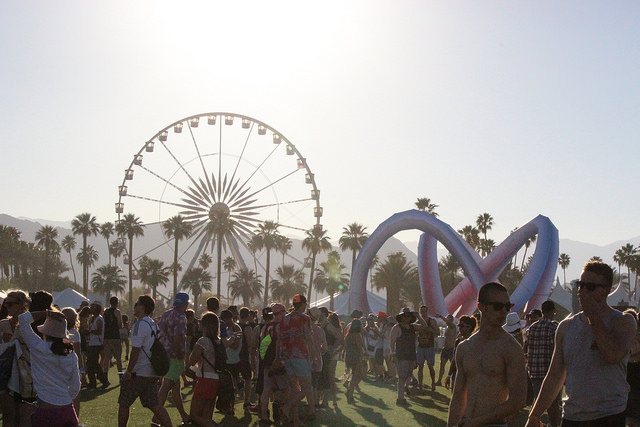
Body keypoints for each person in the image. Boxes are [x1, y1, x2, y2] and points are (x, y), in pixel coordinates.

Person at [526, 261, 637, 427]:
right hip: (573, 416)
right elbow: (554, 376)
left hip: (609, 415)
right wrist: (534, 417)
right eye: (580, 285)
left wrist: (593, 316)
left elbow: (613, 355)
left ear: (606, 290)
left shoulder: (622, 321)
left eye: (590, 287)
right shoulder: (566, 326)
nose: (582, 291)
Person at [447, 282, 527, 427]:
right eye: (497, 306)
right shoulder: (465, 347)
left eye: (507, 307)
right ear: (481, 307)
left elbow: (518, 400)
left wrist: (476, 422)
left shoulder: (511, 348)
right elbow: (458, 396)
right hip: (467, 422)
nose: (503, 312)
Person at [18, 308, 80, 427]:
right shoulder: (71, 355)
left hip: (45, 410)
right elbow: (75, 387)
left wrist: (46, 313)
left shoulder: (37, 347)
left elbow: (23, 319)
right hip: (67, 409)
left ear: (45, 332)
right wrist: (63, 398)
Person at [118, 295, 172, 427]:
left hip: (138, 372)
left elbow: (135, 351)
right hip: (151, 371)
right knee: (155, 405)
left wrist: (128, 371)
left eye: (137, 304)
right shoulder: (153, 324)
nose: (134, 307)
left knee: (124, 404)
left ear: (142, 307)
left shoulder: (139, 325)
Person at [276, 294, 315, 426]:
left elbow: (280, 338)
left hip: (287, 356)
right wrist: (313, 356)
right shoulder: (305, 318)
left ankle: (295, 420)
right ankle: (286, 408)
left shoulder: (285, 319)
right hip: (300, 356)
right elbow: (309, 338)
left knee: (295, 390)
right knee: (306, 387)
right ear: (303, 305)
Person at [154, 292, 190, 425]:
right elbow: (177, 339)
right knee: (166, 386)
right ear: (185, 303)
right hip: (174, 356)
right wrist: (181, 355)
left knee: (176, 387)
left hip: (164, 354)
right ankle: (157, 416)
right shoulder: (181, 317)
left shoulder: (166, 314)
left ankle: (183, 415)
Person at [522, 300, 560, 427]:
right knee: (553, 403)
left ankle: (535, 423)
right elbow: (557, 350)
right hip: (550, 372)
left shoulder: (531, 328)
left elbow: (525, 348)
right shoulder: (553, 327)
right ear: (552, 312)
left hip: (534, 372)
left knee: (538, 402)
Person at [389, 307, 432, 407]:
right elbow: (391, 342)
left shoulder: (413, 326)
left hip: (411, 355)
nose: (406, 318)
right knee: (401, 377)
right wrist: (393, 354)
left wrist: (418, 316)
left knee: (408, 375)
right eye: (404, 316)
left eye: (408, 316)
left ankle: (402, 396)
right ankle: (400, 398)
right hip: (401, 355)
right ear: (401, 317)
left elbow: (424, 326)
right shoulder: (397, 327)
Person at [0, 290, 30, 426]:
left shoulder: (30, 324)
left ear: (21, 305)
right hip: (6, 373)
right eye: (6, 304)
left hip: (26, 373)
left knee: (24, 415)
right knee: (8, 414)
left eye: (11, 304)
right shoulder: (3, 324)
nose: (7, 307)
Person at [188, 312, 222, 427]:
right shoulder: (218, 341)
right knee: (206, 416)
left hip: (205, 379)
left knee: (194, 415)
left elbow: (192, 360)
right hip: (216, 379)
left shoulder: (203, 341)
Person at [61, 307, 85, 419]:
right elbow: (78, 354)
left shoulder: (59, 332)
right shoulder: (75, 333)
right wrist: (82, 370)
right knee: (75, 395)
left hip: (61, 365)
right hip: (72, 366)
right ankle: (75, 418)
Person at [444, 315, 477, 390]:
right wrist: (449, 375)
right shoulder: (458, 341)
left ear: (469, 327)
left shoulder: (475, 342)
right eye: (459, 326)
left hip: (469, 375)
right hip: (457, 374)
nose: (459, 329)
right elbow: (454, 359)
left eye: (462, 326)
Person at [415, 305, 440, 392]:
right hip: (421, 347)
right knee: (420, 367)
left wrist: (430, 330)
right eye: (422, 311)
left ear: (427, 311)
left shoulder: (431, 321)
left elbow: (438, 332)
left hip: (429, 346)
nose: (423, 312)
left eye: (425, 311)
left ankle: (433, 383)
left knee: (430, 366)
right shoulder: (418, 322)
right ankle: (420, 384)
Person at [344, 317, 367, 404]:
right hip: (356, 357)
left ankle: (350, 391)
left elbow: (345, 346)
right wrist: (363, 357)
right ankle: (350, 393)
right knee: (358, 375)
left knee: (356, 375)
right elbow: (359, 347)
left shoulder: (348, 335)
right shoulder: (357, 335)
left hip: (349, 356)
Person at [86, 302, 109, 389]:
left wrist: (90, 332)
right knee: (90, 364)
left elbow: (99, 331)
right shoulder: (93, 319)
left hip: (97, 343)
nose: (91, 309)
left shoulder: (99, 319)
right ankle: (93, 382)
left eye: (93, 308)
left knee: (93, 363)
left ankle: (103, 380)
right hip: (92, 343)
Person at [102, 296, 124, 378]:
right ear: (117, 303)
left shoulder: (106, 311)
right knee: (118, 358)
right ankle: (120, 375)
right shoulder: (117, 312)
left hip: (106, 337)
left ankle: (105, 376)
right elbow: (120, 325)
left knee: (107, 358)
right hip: (115, 337)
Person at [436, 314, 457, 386]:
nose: (448, 321)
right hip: (445, 349)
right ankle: (439, 380)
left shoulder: (453, 327)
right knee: (442, 365)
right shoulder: (447, 328)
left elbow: (448, 323)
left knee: (453, 367)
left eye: (450, 320)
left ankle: (454, 381)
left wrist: (441, 316)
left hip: (451, 349)